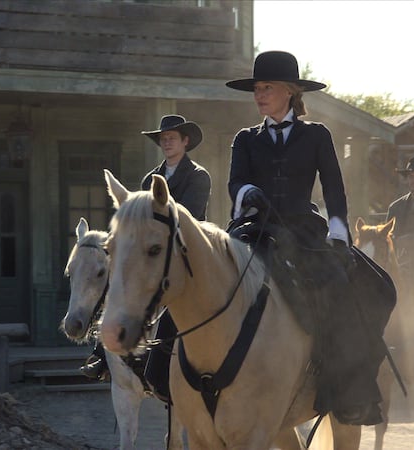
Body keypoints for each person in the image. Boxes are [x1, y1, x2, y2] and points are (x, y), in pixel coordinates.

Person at [225, 50, 395, 425]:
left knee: (344, 290)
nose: (258, 94)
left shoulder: (317, 135)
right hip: (256, 228)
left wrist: (338, 231)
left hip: (304, 229)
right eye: (256, 88)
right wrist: (247, 191)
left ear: (289, 91)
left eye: (266, 87)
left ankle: (351, 389)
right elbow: (234, 182)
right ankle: (160, 368)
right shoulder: (244, 139)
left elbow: (334, 187)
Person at [80, 115, 212, 398]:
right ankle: (102, 354)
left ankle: (171, 364)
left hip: (183, 250)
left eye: (172, 138)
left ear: (185, 141)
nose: (166, 142)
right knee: (118, 279)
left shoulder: (198, 176)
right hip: (150, 251)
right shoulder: (149, 178)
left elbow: (189, 217)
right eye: (163, 139)